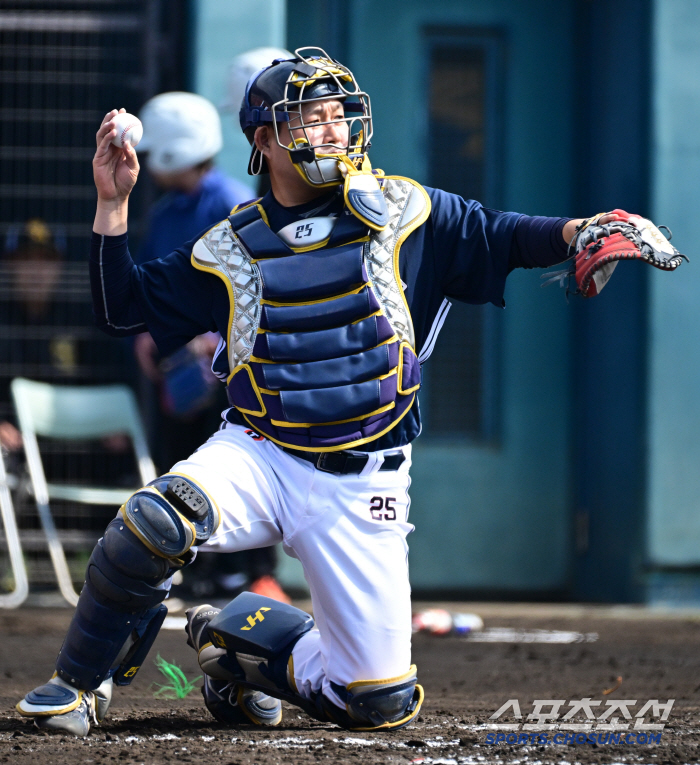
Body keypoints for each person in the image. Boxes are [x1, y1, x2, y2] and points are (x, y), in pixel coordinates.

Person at [16, 48, 668, 736]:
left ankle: (240, 644)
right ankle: (75, 685)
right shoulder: (228, 246)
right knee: (155, 520)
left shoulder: (406, 212)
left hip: (365, 484)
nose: (331, 131)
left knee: (379, 703)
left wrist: (587, 230)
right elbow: (122, 310)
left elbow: (505, 235)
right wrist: (111, 204)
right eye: (310, 119)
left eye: (339, 116)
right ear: (263, 139)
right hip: (262, 451)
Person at [132, 92, 289, 604]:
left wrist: (213, 337)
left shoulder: (230, 201)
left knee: (223, 458)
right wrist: (144, 334)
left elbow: (254, 284)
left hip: (225, 366)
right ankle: (186, 570)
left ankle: (235, 574)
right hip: (176, 367)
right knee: (176, 461)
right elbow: (157, 283)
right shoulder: (164, 212)